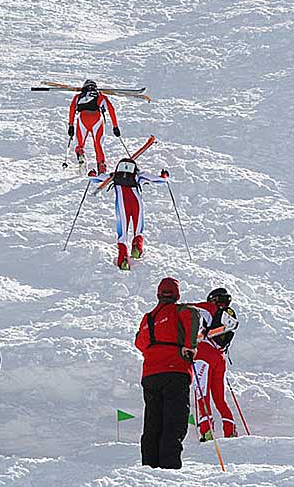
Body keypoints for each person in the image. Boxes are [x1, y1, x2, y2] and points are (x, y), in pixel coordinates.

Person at [135, 277, 200, 470]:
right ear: (176, 295)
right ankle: (169, 468)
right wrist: (189, 346)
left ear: (158, 294)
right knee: (174, 420)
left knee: (153, 423)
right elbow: (193, 315)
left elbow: (139, 343)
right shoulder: (179, 310)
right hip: (175, 371)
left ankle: (149, 468)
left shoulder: (147, 318)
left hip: (150, 375)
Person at [91, 162, 169, 270]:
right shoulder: (139, 175)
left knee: (122, 233)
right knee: (138, 229)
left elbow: (95, 179)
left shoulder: (114, 176)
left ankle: (123, 257)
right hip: (137, 204)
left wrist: (93, 174)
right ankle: (137, 246)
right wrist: (165, 175)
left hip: (122, 205)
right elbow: (160, 180)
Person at [191, 288, 239, 441]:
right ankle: (230, 430)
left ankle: (207, 431)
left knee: (202, 394)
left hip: (204, 353)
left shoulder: (210, 308)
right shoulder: (230, 314)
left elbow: (191, 307)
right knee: (219, 398)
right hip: (220, 357)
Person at [67, 79, 119, 175]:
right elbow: (111, 109)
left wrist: (71, 125)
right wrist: (115, 126)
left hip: (82, 118)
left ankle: (80, 153)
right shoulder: (100, 96)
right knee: (98, 144)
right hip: (96, 118)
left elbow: (72, 109)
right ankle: (101, 166)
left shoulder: (78, 97)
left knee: (80, 142)